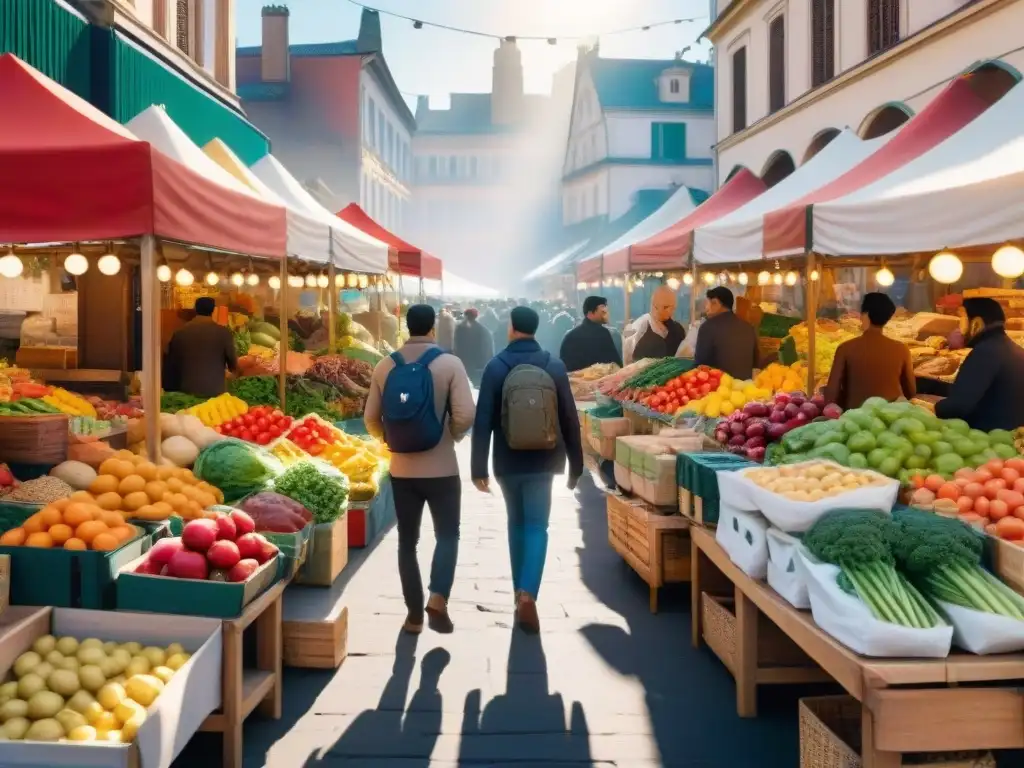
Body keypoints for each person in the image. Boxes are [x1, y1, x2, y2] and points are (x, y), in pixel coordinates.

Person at [364, 304, 476, 635]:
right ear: (432, 329)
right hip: (442, 468)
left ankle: (413, 615)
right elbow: (466, 414)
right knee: (447, 534)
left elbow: (370, 418)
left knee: (406, 541)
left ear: (405, 327)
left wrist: (389, 439)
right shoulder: (450, 363)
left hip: (402, 472)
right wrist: (451, 435)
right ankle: (438, 597)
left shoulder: (385, 365)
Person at [471, 306, 583, 634]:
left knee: (515, 523)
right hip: (545, 460)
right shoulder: (554, 366)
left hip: (507, 460)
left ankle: (518, 592)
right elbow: (569, 420)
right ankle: (528, 594)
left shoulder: (496, 367)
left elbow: (483, 420)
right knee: (537, 525)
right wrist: (575, 466)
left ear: (511, 328)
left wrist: (479, 466)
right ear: (536, 329)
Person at [934, 297, 1024, 431]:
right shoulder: (1015, 350)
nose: (958, 329)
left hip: (989, 440)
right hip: (1010, 437)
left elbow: (959, 406)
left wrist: (934, 408)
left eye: (962, 322)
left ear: (976, 324)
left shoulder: (986, 351)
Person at [823, 293, 916, 410]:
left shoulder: (845, 348)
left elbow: (832, 394)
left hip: (855, 418)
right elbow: (911, 392)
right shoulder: (902, 349)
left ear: (866, 315)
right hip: (891, 417)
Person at [163, 297, 237, 398]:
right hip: (215, 391)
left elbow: (171, 362)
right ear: (213, 310)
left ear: (195, 309)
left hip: (186, 390)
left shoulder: (180, 333)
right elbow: (233, 363)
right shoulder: (223, 333)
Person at [694, 286, 760, 380]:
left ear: (715, 303)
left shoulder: (708, 327)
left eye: (708, 303)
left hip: (719, 389)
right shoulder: (748, 327)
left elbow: (700, 365)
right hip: (744, 389)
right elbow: (756, 363)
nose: (706, 308)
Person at [622, 285, 686, 363]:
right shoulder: (641, 327)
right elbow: (630, 360)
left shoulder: (678, 330)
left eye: (674, 307)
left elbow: (683, 357)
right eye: (670, 307)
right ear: (656, 307)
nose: (673, 311)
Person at [558, 296, 623, 372]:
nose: (606, 313)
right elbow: (616, 365)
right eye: (603, 311)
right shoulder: (603, 333)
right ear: (590, 312)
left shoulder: (569, 336)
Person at [454, 308, 494, 385]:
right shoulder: (483, 329)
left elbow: (456, 346)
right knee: (476, 385)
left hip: (464, 362)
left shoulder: (459, 328)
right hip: (477, 364)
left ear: (465, 316)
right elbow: (487, 348)